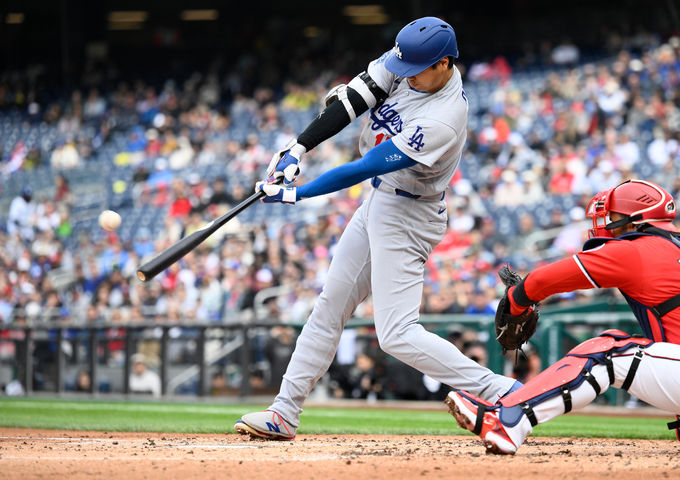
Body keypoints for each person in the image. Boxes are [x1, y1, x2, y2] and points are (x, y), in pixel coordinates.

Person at [234, 17, 519, 441]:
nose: (405, 76)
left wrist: (298, 193)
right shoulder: (410, 57)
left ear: (444, 64)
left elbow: (367, 165)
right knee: (328, 308)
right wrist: (297, 148)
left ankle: (503, 391)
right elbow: (353, 99)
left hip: (411, 213)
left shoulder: (444, 117)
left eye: (416, 70)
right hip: (381, 200)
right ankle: (284, 412)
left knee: (396, 334)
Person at [446, 179, 680, 454]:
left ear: (635, 220)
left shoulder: (638, 250)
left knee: (607, 352)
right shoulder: (669, 247)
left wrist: (515, 301)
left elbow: (542, 281)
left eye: (613, 216)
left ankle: (507, 421)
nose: (605, 223)